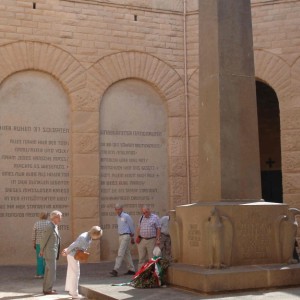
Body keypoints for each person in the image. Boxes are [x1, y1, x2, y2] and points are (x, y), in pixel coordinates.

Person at [62, 226, 103, 299]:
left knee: (72, 273)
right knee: (75, 274)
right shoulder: (84, 238)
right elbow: (74, 245)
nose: (97, 238)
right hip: (73, 255)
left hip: (73, 255)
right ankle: (75, 294)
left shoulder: (87, 235)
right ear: (94, 234)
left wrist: (67, 251)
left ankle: (71, 291)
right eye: (97, 236)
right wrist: (67, 251)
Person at [39, 210, 62, 295]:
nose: (60, 219)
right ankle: (48, 289)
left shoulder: (54, 226)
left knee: (48, 271)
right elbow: (44, 239)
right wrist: (41, 250)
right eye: (59, 217)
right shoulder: (50, 226)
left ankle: (46, 288)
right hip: (49, 253)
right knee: (51, 271)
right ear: (55, 218)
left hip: (52, 252)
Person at [110, 204, 135, 277]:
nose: (117, 211)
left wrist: (132, 236)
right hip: (120, 236)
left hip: (126, 235)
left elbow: (131, 226)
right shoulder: (117, 217)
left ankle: (115, 269)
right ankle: (132, 269)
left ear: (122, 209)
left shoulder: (126, 216)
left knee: (120, 252)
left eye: (119, 209)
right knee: (126, 253)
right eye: (116, 209)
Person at [135, 205, 161, 270]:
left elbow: (158, 228)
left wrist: (158, 239)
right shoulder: (141, 218)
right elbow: (139, 227)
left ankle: (152, 274)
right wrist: (138, 236)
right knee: (141, 258)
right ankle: (140, 275)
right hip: (142, 240)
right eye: (143, 213)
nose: (145, 214)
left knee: (151, 258)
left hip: (151, 240)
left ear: (149, 211)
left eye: (146, 212)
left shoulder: (155, 217)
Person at [32, 212, 50, 278]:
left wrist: (33, 243)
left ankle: (39, 273)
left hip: (39, 243)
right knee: (47, 258)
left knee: (39, 258)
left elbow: (34, 235)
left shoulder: (36, 224)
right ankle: (47, 273)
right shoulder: (49, 224)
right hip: (47, 243)